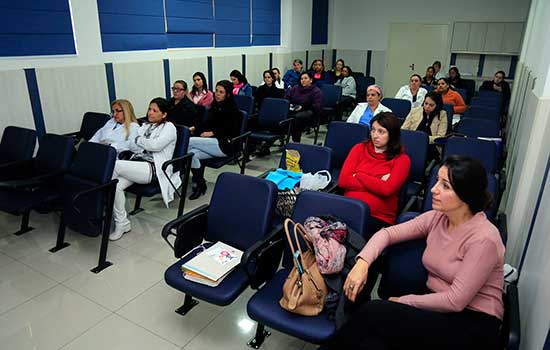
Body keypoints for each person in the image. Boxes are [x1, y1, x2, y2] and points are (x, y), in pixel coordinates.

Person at [330, 156, 504, 350]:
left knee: (373, 311)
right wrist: (362, 263)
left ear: (465, 195)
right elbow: (387, 234)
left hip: (472, 322)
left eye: (445, 186)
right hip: (437, 308)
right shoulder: (438, 218)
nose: (433, 189)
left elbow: (455, 301)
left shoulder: (484, 238)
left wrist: (404, 301)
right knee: (370, 344)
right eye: (437, 180)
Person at [110, 98, 179, 241]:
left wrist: (139, 140)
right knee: (114, 186)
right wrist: (140, 142)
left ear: (164, 114)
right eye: (149, 109)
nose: (150, 113)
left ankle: (101, 205)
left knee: (114, 166)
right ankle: (122, 223)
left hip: (154, 168)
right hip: (138, 164)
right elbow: (134, 146)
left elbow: (156, 146)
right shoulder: (146, 126)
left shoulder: (169, 127)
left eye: (155, 110)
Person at [339, 112, 411, 237]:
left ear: (392, 135)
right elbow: (343, 181)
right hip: (349, 209)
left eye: (381, 131)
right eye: (373, 130)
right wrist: (377, 181)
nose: (375, 135)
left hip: (378, 218)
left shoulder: (402, 160)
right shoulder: (359, 149)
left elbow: (386, 190)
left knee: (344, 237)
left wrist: (359, 175)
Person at [187, 80, 242, 200]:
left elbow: (231, 130)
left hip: (226, 145)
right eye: (216, 91)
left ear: (227, 94)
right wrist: (195, 128)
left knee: (189, 142)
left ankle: (178, 171)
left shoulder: (232, 109)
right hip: (213, 143)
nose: (217, 94)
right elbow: (206, 123)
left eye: (221, 92)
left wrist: (212, 133)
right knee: (191, 154)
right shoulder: (215, 106)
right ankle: (200, 184)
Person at [401, 91, 448, 160]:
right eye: (426, 103)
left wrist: (422, 139)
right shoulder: (415, 111)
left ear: (437, 105)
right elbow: (403, 129)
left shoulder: (442, 115)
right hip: (412, 142)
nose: (427, 107)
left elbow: (440, 136)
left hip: (431, 146)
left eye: (431, 105)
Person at [285, 72, 323, 142]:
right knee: (284, 115)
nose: (303, 80)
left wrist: (302, 107)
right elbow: (287, 97)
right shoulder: (295, 88)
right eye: (301, 79)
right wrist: (289, 103)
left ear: (311, 80)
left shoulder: (316, 91)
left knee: (296, 119)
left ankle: (296, 142)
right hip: (294, 109)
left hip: (310, 112)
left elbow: (316, 106)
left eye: (305, 78)